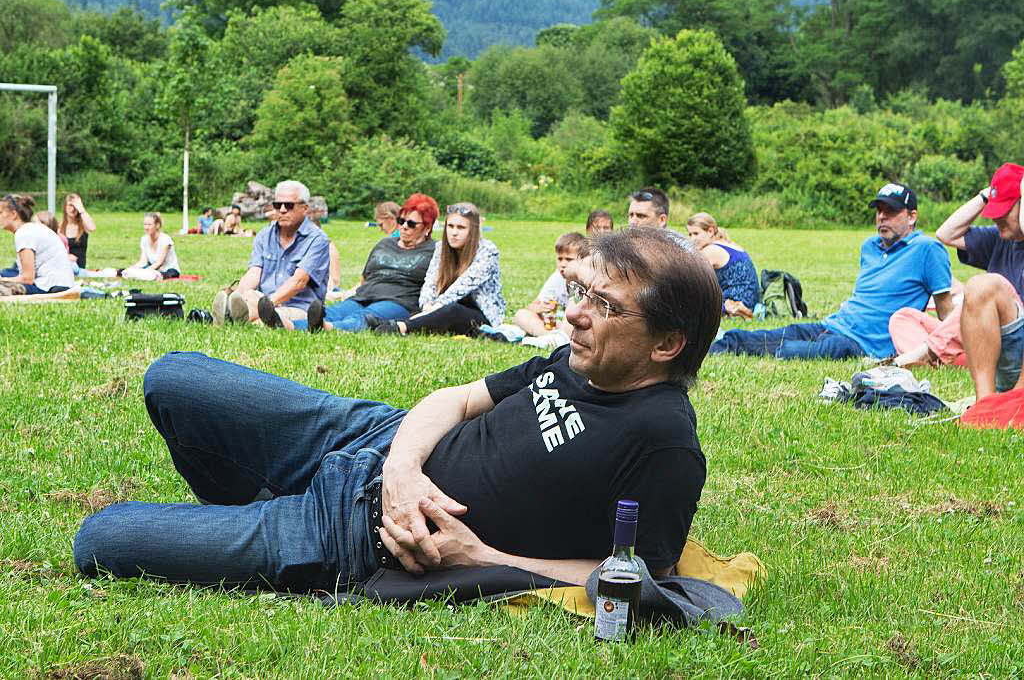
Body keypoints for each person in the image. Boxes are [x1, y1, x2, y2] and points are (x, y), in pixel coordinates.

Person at [72, 227, 721, 592]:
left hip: (354, 534)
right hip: (376, 435)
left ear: (666, 344)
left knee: (98, 538)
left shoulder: (661, 440)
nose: (576, 312)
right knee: (172, 376)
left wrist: (475, 554)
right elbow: (461, 397)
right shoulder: (577, 355)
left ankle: (266, 521)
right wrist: (404, 467)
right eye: (584, 292)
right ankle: (258, 503)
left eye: (606, 306)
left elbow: (639, 579)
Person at [711, 183, 953, 360]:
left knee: (789, 351)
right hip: (836, 323)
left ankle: (722, 345)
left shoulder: (927, 250)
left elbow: (946, 314)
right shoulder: (869, 247)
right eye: (879, 211)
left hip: (863, 344)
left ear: (912, 217)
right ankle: (717, 342)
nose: (882, 217)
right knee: (785, 332)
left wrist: (943, 352)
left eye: (890, 212)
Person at [286, 194, 438, 333]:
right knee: (335, 312)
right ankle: (286, 324)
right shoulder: (385, 244)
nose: (404, 226)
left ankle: (327, 328)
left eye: (411, 224)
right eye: (401, 221)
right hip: (365, 295)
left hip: (399, 301)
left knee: (363, 317)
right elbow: (365, 277)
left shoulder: (434, 251)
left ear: (427, 228)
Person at [935, 162, 1024, 399]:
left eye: (1005, 210)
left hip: (1017, 363)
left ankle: (938, 351)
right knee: (903, 318)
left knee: (981, 286)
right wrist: (987, 194)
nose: (997, 219)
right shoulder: (998, 239)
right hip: (999, 349)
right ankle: (985, 403)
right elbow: (946, 234)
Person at [371, 202, 505, 336]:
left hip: (480, 314)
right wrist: (426, 304)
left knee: (452, 311)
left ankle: (401, 327)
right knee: (431, 311)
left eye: (461, 228)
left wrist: (436, 307)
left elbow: (464, 285)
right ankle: (387, 323)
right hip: (443, 307)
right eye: (450, 226)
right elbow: (431, 280)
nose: (454, 233)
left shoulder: (487, 251)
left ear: (473, 230)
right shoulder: (441, 248)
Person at [212, 180, 330, 328]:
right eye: (277, 205)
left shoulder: (318, 239)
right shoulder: (264, 235)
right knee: (249, 296)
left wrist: (269, 304)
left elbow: (299, 281)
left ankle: (235, 318)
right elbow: (254, 272)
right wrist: (240, 295)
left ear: (304, 208)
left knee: (270, 318)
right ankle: (234, 312)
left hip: (298, 307)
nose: (282, 210)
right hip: (263, 300)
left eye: (288, 205)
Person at [686, 212, 760, 318]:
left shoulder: (711, 250)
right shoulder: (726, 243)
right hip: (750, 298)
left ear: (710, 231)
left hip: (736, 301)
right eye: (690, 234)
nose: (692, 239)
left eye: (696, 234)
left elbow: (692, 279)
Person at [514, 232, 587, 338]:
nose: (563, 264)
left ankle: (554, 339)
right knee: (521, 315)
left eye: (569, 259)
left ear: (583, 261)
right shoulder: (557, 278)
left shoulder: (585, 281)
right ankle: (547, 337)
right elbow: (533, 306)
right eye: (560, 259)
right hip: (553, 325)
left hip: (574, 327)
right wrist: (540, 308)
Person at [0, 194, 75, 295]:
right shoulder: (30, 228)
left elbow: (27, 279)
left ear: (14, 214)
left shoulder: (24, 233)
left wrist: (4, 280)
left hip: (52, 286)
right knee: (5, 272)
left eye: (0, 213)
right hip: (61, 282)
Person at [121, 212, 181, 281]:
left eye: (149, 224)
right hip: (153, 269)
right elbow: (143, 261)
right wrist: (133, 268)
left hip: (168, 271)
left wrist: (145, 272)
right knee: (131, 271)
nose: (146, 227)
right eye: (145, 224)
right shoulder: (144, 239)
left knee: (166, 274)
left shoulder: (165, 239)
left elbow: (159, 263)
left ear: (157, 225)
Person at [59, 193, 97, 269]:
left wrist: (81, 209)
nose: (73, 209)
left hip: (80, 269)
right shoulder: (59, 226)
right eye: (70, 205)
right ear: (65, 207)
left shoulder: (83, 225)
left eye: (75, 206)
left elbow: (92, 228)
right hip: (63, 268)